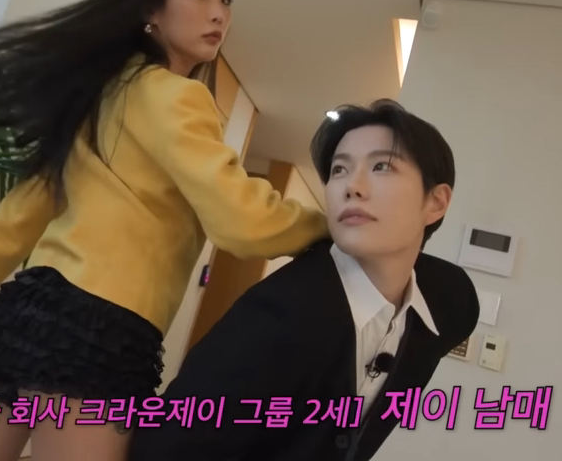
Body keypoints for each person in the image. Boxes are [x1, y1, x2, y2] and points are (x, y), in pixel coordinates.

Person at [0, 0, 329, 461]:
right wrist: (331, 226)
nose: (219, 14)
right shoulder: (179, 96)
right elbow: (243, 221)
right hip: (102, 326)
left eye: (226, 0)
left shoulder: (103, 89)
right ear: (150, 8)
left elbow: (37, 194)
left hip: (28, 310)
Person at [128, 99, 480, 461]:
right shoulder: (277, 316)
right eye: (339, 170)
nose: (352, 186)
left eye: (381, 166)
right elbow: (165, 447)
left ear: (436, 202)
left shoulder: (452, 301)